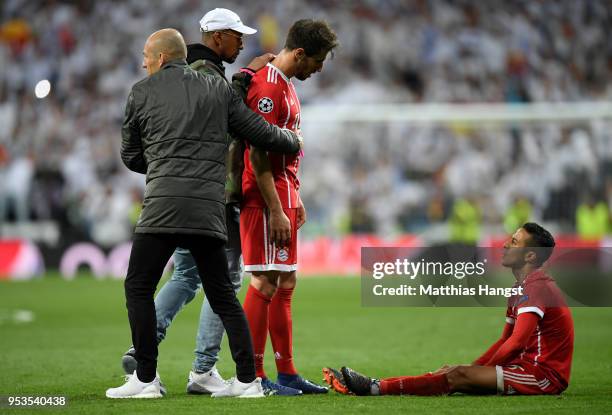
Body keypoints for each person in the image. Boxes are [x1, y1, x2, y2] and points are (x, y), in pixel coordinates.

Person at [105, 28, 302, 399]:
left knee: (139, 286)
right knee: (223, 294)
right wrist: (293, 140)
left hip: (162, 207)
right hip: (208, 209)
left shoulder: (140, 92)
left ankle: (146, 378)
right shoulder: (217, 89)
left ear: (161, 58)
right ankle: (246, 381)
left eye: (147, 56)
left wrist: (164, 166)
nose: (143, 62)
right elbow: (258, 132)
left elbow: (130, 156)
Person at [324, 223, 574, 397]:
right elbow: (504, 340)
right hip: (524, 367)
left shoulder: (536, 287)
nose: (506, 245)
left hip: (543, 376)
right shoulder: (521, 287)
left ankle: (373, 387)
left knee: (456, 376)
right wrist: (474, 367)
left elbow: (517, 342)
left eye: (514, 242)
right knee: (454, 373)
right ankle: (376, 385)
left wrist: (475, 371)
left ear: (530, 256)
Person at [240, 19, 338, 394]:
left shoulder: (287, 86)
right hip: (265, 199)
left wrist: (294, 198)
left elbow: (286, 153)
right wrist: (277, 208)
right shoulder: (267, 88)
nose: (319, 68)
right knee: (264, 280)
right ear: (299, 53)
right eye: (318, 60)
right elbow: (258, 153)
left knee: (286, 281)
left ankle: (287, 372)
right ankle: (254, 376)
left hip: (283, 195)